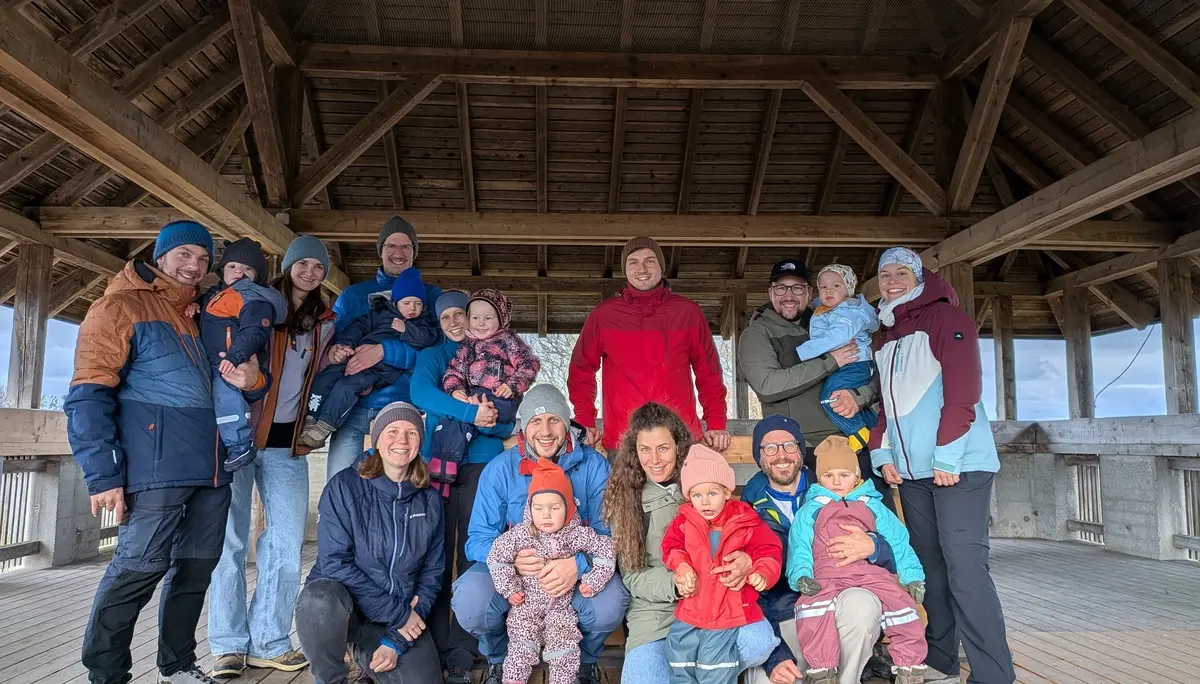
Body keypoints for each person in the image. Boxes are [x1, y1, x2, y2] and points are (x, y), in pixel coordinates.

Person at [65, 220, 267, 684]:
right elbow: (88, 395)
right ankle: (106, 672)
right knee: (136, 571)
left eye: (202, 259)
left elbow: (250, 386)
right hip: (157, 467)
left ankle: (177, 667)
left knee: (195, 572)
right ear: (160, 256)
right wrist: (102, 474)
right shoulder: (118, 307)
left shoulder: (209, 313)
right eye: (184, 255)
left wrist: (252, 381)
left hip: (214, 467)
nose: (194, 266)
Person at [869, 247, 1012, 684]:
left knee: (965, 568)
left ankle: (992, 673)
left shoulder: (948, 320)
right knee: (929, 566)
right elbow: (886, 408)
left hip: (959, 466)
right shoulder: (884, 335)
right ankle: (941, 657)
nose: (891, 280)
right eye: (884, 274)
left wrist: (947, 455)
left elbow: (963, 392)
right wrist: (882, 452)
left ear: (918, 277)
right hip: (912, 473)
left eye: (901, 273)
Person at [207, 235, 335, 678]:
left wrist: (334, 356)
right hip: (240, 436)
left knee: (285, 541)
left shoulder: (323, 321)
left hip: (287, 444)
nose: (310, 273)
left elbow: (314, 377)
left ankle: (269, 639)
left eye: (319, 268)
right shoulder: (259, 303)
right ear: (288, 266)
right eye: (303, 264)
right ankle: (227, 644)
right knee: (231, 539)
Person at [452, 385, 629, 684]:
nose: (545, 431)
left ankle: (584, 663)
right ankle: (499, 659)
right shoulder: (500, 469)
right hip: (517, 573)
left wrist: (578, 563)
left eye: (554, 420)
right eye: (535, 421)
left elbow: (608, 533)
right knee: (471, 602)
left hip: (574, 569)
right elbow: (478, 540)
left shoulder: (594, 466)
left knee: (609, 603)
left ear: (566, 422)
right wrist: (512, 560)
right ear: (524, 426)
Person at [603, 403, 769, 684]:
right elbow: (633, 576)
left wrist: (747, 562)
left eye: (663, 448)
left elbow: (747, 536)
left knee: (759, 642)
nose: (654, 459)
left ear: (679, 446)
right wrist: (675, 584)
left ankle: (704, 670)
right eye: (645, 449)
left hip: (716, 605)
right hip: (658, 616)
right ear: (635, 451)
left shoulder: (705, 485)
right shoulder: (628, 499)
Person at [741, 415, 897, 684]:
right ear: (760, 456)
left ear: (801, 451)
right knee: (769, 679)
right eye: (770, 447)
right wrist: (775, 657)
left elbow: (899, 548)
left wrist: (873, 545)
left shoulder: (837, 486)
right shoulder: (745, 510)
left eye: (790, 445)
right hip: (781, 618)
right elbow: (746, 593)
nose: (781, 455)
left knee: (862, 606)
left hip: (835, 605)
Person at [295, 402, 444, 684]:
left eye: (412, 433)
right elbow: (334, 563)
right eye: (392, 431)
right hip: (346, 612)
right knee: (319, 599)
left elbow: (432, 574)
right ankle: (331, 678)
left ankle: (368, 658)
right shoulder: (345, 486)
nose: (402, 440)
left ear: (420, 443)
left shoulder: (430, 499)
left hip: (394, 620)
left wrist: (397, 639)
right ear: (377, 438)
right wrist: (401, 615)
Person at [410, 290, 515, 683]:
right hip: (438, 467)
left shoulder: (498, 356)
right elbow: (421, 394)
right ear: (439, 323)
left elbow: (506, 420)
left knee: (475, 556)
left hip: (482, 467)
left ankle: (465, 648)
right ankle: (433, 643)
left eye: (462, 314)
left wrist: (492, 418)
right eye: (448, 316)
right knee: (434, 555)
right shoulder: (434, 357)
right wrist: (472, 411)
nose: (456, 321)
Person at [737, 259, 889, 507]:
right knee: (812, 535)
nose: (789, 296)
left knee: (876, 525)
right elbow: (768, 384)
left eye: (797, 288)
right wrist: (829, 362)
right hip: (804, 452)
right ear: (770, 293)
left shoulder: (834, 319)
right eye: (781, 288)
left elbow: (872, 369)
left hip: (852, 444)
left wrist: (860, 397)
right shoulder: (757, 333)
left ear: (809, 292)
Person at [567, 236, 729, 452]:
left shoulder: (687, 312)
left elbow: (708, 371)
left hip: (678, 437)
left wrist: (716, 422)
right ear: (625, 270)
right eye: (633, 262)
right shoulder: (603, 316)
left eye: (650, 261)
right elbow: (581, 370)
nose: (641, 268)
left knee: (684, 488)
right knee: (624, 487)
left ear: (661, 267)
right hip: (624, 439)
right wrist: (585, 419)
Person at [788, 436, 927, 684]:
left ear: (856, 476)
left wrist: (913, 576)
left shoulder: (873, 506)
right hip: (827, 573)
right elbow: (799, 546)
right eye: (829, 475)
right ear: (819, 478)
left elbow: (898, 541)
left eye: (844, 475)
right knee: (812, 607)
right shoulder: (811, 509)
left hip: (870, 574)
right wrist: (801, 575)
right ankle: (823, 670)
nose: (837, 482)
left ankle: (910, 665)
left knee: (902, 606)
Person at [326, 216, 443, 480]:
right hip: (354, 405)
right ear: (380, 250)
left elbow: (439, 354)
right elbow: (335, 344)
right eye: (391, 246)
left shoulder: (432, 298)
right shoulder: (354, 296)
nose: (398, 253)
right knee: (339, 485)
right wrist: (338, 351)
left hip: (408, 406)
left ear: (415, 252)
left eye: (406, 247)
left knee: (406, 486)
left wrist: (385, 351)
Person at [485, 458, 617, 684]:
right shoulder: (522, 534)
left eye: (554, 508)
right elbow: (496, 556)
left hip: (561, 608)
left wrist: (593, 580)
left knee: (564, 649)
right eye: (539, 508)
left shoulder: (576, 534)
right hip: (525, 606)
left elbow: (606, 550)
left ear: (568, 507)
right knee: (520, 647)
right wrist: (510, 588)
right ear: (530, 508)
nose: (546, 515)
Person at [661, 445, 781, 684]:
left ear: (727, 492)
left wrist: (762, 571)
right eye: (697, 495)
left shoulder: (744, 521)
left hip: (727, 608)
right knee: (678, 657)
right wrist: (682, 566)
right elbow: (671, 547)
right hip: (692, 606)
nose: (705, 501)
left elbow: (769, 549)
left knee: (714, 666)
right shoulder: (684, 521)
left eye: (712, 493)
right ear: (688, 496)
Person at [299, 268, 439, 448]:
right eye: (407, 302)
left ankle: (325, 426)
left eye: (418, 303)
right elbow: (357, 327)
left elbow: (428, 340)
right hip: (355, 356)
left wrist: (406, 329)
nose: (412, 308)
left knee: (347, 386)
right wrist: (345, 344)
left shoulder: (423, 323)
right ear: (395, 303)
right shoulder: (380, 314)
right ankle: (312, 416)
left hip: (381, 370)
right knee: (326, 377)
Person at [430, 289, 540, 493]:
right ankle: (443, 470)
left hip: (501, 397)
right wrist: (455, 391)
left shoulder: (508, 341)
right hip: (475, 398)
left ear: (500, 320)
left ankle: (448, 466)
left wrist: (512, 385)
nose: (480, 323)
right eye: (475, 317)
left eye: (488, 317)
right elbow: (453, 371)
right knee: (449, 424)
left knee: (468, 418)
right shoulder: (466, 347)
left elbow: (529, 364)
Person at [196, 237, 288, 472]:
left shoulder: (253, 297)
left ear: (257, 275)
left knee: (227, 399)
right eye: (233, 266)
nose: (239, 272)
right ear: (222, 270)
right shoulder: (212, 297)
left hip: (232, 362)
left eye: (248, 268)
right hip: (211, 363)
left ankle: (239, 445)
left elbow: (254, 332)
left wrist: (234, 356)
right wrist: (192, 306)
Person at [794, 264, 878, 452]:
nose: (828, 290)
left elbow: (836, 338)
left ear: (848, 289)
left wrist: (804, 351)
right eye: (823, 287)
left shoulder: (848, 313)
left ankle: (857, 433)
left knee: (830, 399)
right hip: (846, 364)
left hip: (853, 363)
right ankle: (877, 432)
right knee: (856, 406)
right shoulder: (830, 309)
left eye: (836, 286)